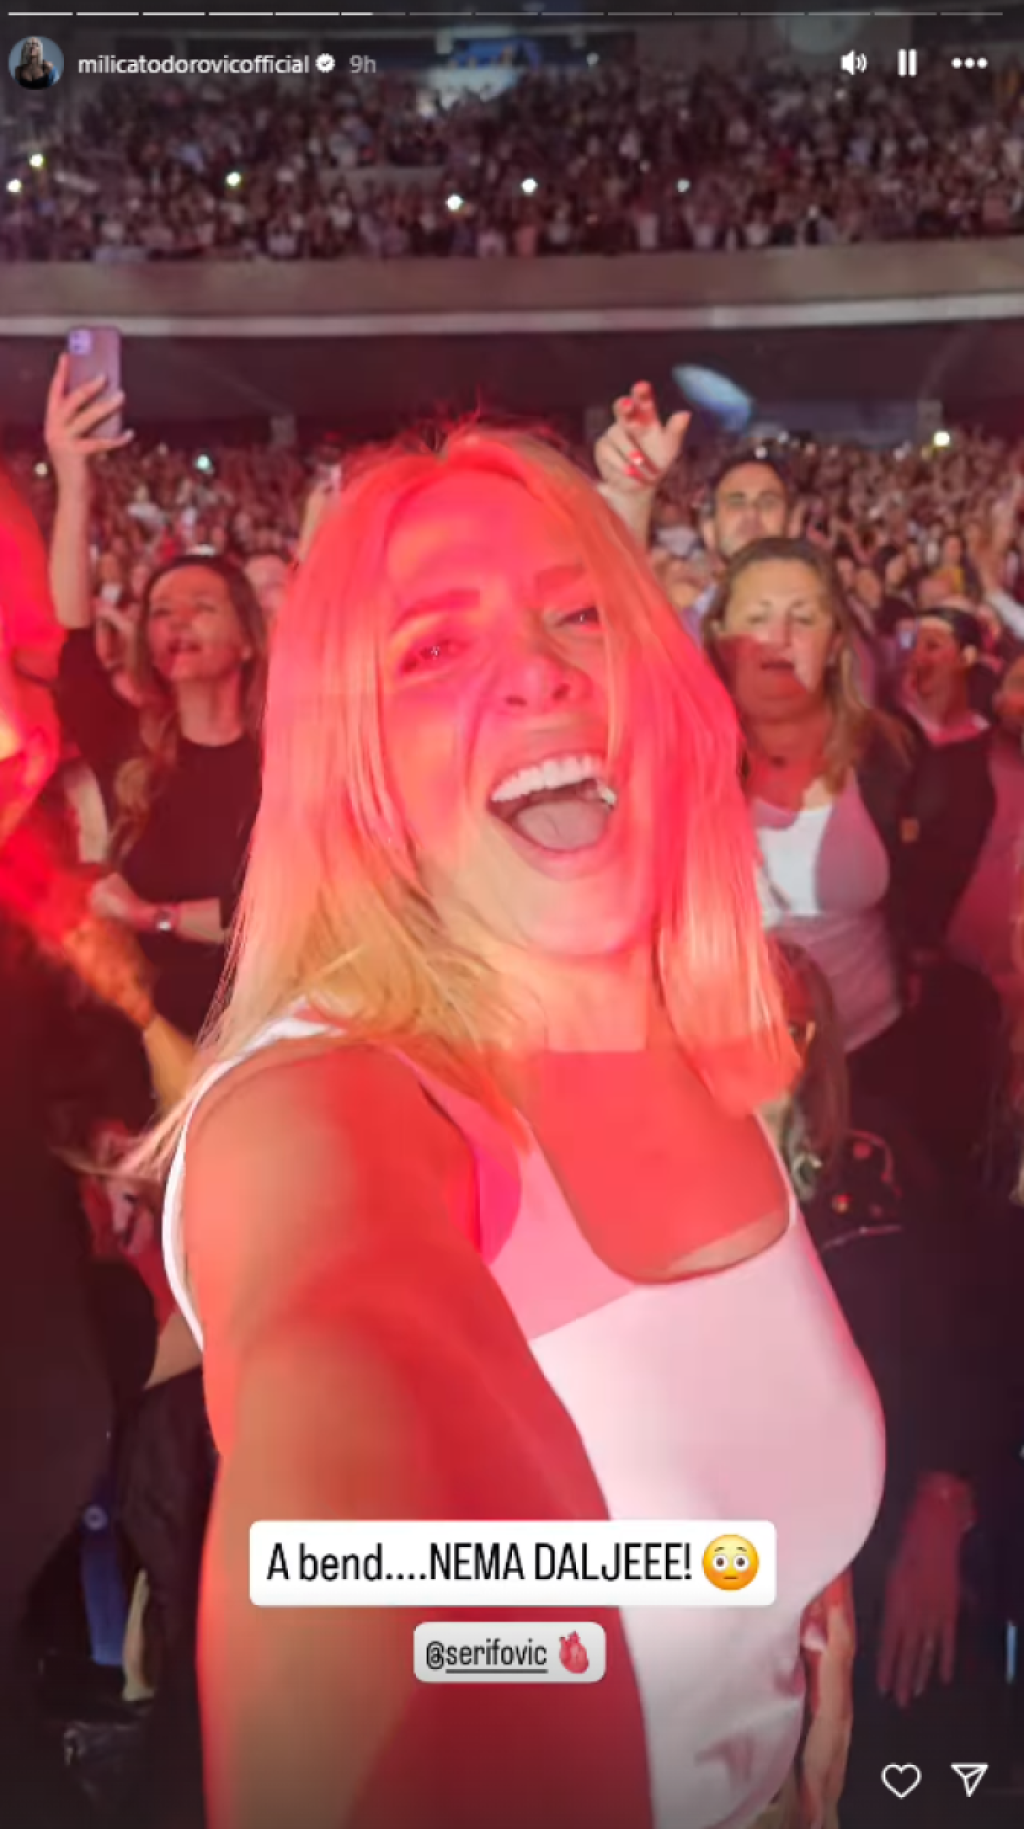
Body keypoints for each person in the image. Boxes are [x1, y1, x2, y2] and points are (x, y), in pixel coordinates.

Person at [150, 424, 883, 1829]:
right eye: (432, 649)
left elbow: (710, 1423)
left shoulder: (697, 1031)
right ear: (355, 764)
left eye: (580, 615)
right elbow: (348, 1536)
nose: (538, 670)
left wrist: (783, 1572)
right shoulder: (325, 1107)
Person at [704, 537, 1000, 1180]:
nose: (779, 636)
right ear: (719, 637)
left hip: (878, 1057)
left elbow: (929, 895)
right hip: (733, 1075)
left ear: (836, 640)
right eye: (757, 617)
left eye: (803, 617)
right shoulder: (681, 760)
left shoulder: (888, 752)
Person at [45, 358, 267, 1042]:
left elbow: (271, 909)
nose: (176, 622)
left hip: (258, 1035)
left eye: (202, 606)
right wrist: (73, 481)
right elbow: (71, 642)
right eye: (161, 611)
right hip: (147, 1048)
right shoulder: (132, 751)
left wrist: (150, 917)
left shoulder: (287, 757)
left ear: (247, 640)